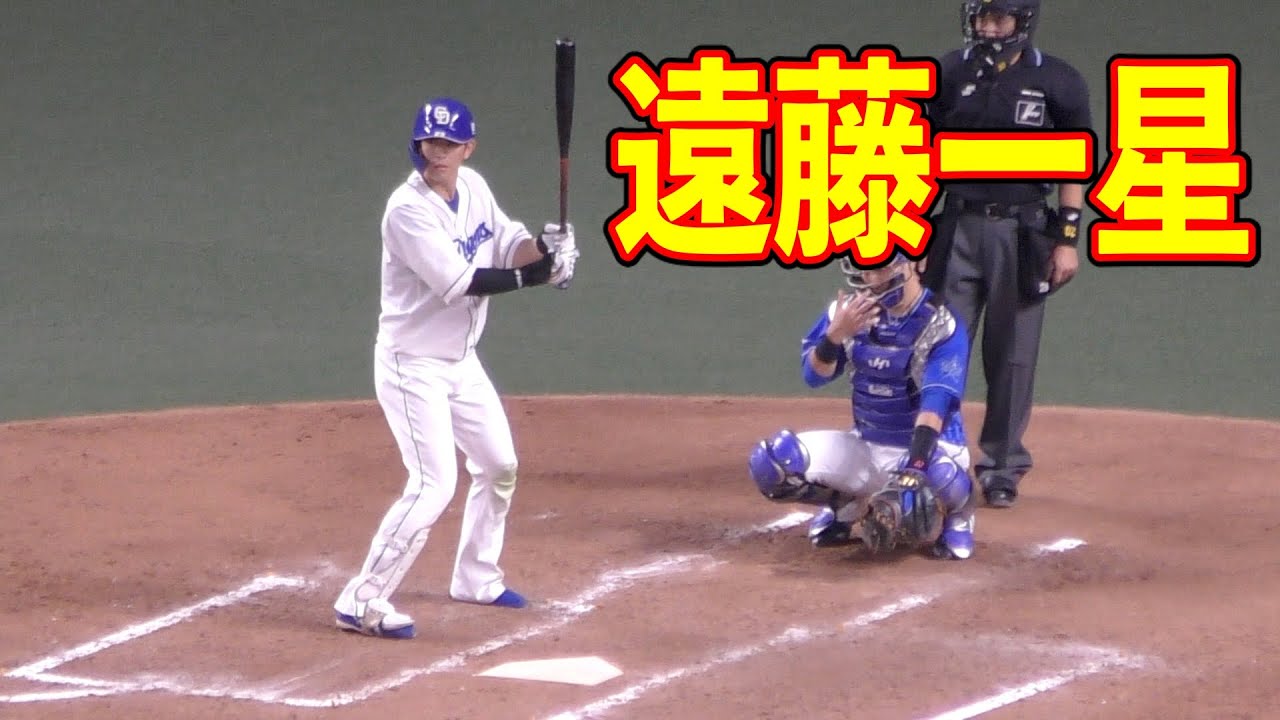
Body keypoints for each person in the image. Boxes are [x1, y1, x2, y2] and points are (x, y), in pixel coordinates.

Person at [333, 97, 579, 639]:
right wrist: (537, 276)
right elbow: (459, 282)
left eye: (448, 145)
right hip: (411, 366)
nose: (437, 153)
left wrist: (545, 252)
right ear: (418, 144)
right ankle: (361, 599)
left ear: (468, 149)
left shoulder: (475, 189)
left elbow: (508, 245)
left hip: (460, 362)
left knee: (499, 465)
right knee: (433, 483)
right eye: (430, 142)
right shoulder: (406, 210)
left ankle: (475, 578)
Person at [921, 0, 1093, 508]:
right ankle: (933, 457)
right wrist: (913, 236)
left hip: (1022, 232)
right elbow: (917, 153)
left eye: (999, 19)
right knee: (938, 347)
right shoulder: (948, 73)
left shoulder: (1058, 80)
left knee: (1013, 355)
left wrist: (1067, 239)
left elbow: (1074, 163)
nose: (988, 28)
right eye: (981, 19)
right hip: (957, 226)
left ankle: (1002, 467)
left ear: (1023, 23)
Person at [747, 253, 977, 560]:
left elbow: (935, 407)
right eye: (865, 270)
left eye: (880, 268)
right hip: (867, 445)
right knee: (773, 461)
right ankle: (846, 505)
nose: (871, 279)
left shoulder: (941, 325)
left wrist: (915, 467)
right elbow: (814, 376)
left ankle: (959, 516)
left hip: (930, 447)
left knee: (932, 478)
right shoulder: (849, 313)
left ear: (915, 262)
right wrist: (835, 336)